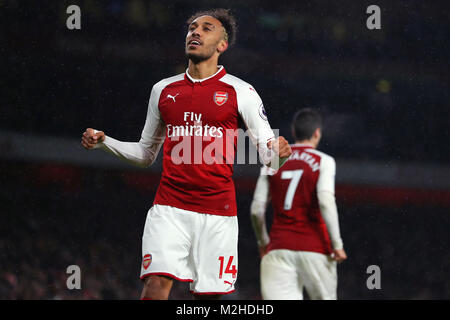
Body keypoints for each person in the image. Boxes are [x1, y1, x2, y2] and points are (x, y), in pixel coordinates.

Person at [81, 8, 291, 300]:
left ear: (222, 44)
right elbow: (145, 154)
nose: (195, 32)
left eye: (206, 28)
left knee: (208, 299)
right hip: (169, 208)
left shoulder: (241, 92)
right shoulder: (163, 90)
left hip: (218, 213)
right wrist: (106, 142)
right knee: (155, 285)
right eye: (192, 27)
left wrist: (281, 154)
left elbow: (270, 156)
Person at [250, 108, 346, 300]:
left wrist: (263, 242)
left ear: (293, 132)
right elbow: (326, 202)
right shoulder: (324, 161)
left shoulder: (273, 162)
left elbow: (256, 210)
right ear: (317, 133)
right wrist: (337, 244)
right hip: (316, 247)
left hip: (279, 248)